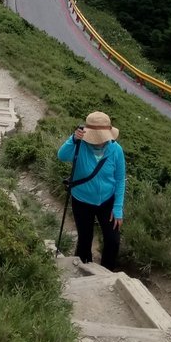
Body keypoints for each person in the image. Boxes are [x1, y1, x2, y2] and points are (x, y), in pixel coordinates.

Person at [57, 111, 125, 270]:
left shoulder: (116, 150)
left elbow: (120, 179)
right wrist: (73, 139)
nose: (99, 142)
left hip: (107, 201)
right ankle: (82, 269)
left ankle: (106, 271)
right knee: (85, 240)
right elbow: (61, 156)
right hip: (81, 201)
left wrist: (118, 208)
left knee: (113, 240)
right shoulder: (78, 145)